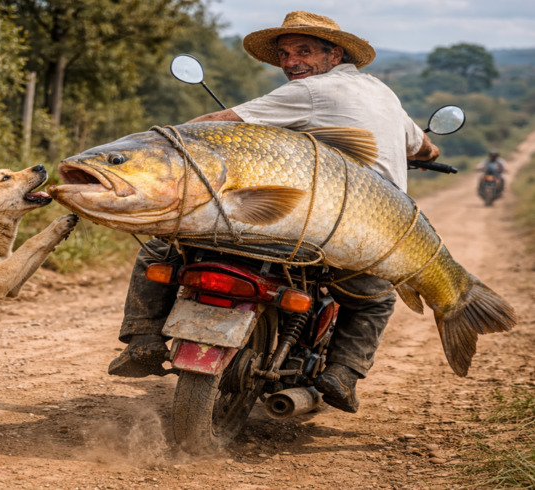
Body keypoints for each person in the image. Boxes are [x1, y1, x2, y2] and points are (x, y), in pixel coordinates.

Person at [107, 11, 440, 413]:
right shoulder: (383, 94)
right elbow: (425, 148)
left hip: (314, 220)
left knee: (160, 252)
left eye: (304, 51)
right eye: (284, 53)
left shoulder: (310, 92)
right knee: (372, 296)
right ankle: (343, 374)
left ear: (334, 55)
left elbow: (217, 124)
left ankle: (144, 340)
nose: (291, 62)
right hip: (347, 229)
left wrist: (156, 144)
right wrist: (425, 156)